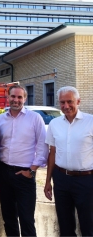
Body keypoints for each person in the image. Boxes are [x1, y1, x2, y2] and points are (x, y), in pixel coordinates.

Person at [0, 85, 48, 237]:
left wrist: (32, 170)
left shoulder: (35, 118)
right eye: (13, 96)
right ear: (8, 97)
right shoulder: (0, 119)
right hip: (4, 174)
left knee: (26, 220)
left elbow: (43, 146)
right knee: (9, 219)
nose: (16, 100)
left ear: (25, 99)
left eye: (20, 97)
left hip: (24, 175)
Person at [44, 86, 93, 236]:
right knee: (65, 225)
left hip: (87, 180)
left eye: (70, 102)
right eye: (62, 102)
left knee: (89, 225)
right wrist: (47, 182)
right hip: (61, 179)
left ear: (78, 101)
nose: (66, 106)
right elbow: (52, 153)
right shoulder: (54, 124)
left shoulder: (91, 122)